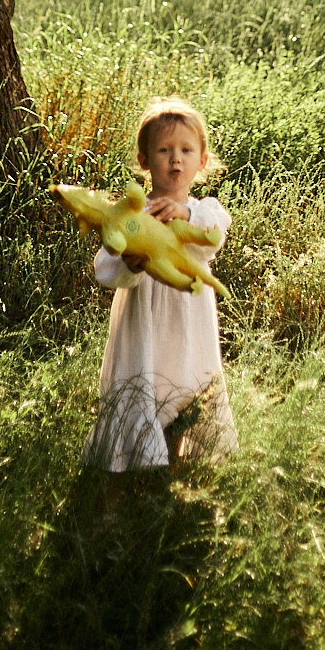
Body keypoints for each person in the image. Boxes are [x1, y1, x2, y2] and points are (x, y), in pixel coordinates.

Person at [83, 96, 238, 472]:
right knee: (142, 385)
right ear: (144, 159)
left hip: (189, 323)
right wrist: (130, 263)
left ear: (202, 160)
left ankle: (182, 467)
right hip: (145, 321)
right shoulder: (132, 214)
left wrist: (184, 213)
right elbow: (107, 268)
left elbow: (214, 235)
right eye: (164, 150)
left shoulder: (205, 210)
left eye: (186, 150)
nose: (175, 160)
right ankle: (131, 474)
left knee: (192, 386)